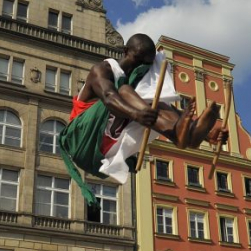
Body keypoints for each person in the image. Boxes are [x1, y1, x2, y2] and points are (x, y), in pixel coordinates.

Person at [60, 33, 226, 209]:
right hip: (82, 140)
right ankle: (180, 133)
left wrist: (208, 136)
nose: (139, 66)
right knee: (125, 90)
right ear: (125, 52)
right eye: (137, 59)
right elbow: (109, 97)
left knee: (155, 101)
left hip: (105, 151)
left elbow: (162, 109)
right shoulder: (102, 70)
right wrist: (137, 114)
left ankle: (186, 136)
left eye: (146, 64)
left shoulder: (139, 84)